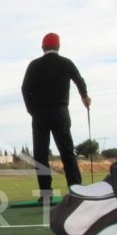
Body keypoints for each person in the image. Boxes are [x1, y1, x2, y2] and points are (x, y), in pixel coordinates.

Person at [21, 32, 91, 203]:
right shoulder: (66, 63)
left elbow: (25, 88)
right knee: (67, 151)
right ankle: (76, 189)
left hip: (39, 114)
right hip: (60, 111)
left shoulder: (34, 65)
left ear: (42, 47)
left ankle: (46, 194)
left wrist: (31, 109)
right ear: (58, 46)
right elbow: (79, 80)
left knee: (41, 153)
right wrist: (84, 96)